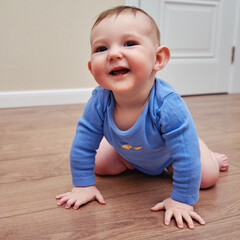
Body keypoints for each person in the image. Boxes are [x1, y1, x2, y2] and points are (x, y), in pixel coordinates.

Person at [56, 6, 229, 229]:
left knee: (206, 178)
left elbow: (185, 158)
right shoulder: (99, 101)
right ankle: (132, 162)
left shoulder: (168, 105)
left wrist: (181, 201)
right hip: (130, 152)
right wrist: (82, 186)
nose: (114, 54)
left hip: (170, 157)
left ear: (158, 58)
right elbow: (83, 144)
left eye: (129, 43)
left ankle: (201, 147)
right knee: (100, 164)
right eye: (101, 48)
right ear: (92, 69)